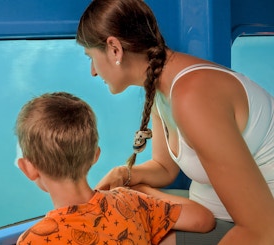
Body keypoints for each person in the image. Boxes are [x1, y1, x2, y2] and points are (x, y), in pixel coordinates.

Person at [75, 0, 274, 244]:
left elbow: (262, 230)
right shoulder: (162, 85)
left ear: (114, 49)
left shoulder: (193, 97)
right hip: (214, 210)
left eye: (91, 58)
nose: (93, 71)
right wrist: (124, 175)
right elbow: (165, 167)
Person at [14, 92, 215, 245]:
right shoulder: (130, 202)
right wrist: (144, 192)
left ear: (28, 168)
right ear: (95, 155)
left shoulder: (35, 239)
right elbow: (203, 219)